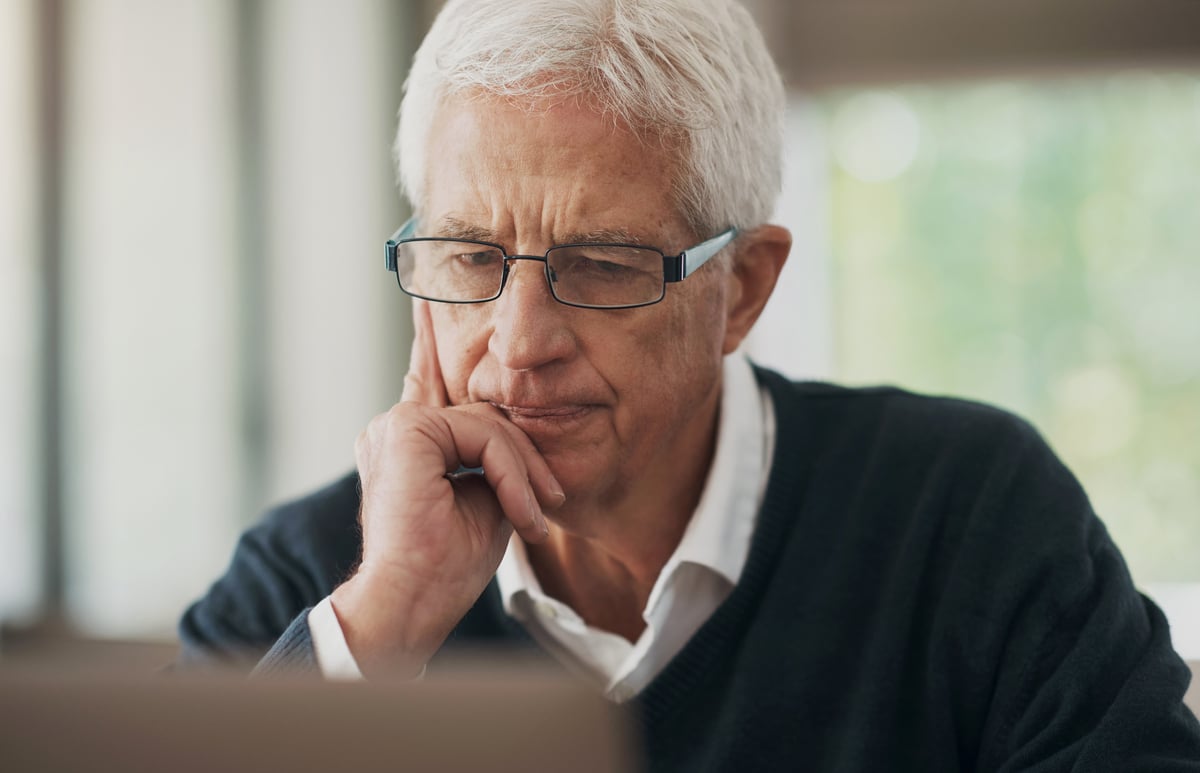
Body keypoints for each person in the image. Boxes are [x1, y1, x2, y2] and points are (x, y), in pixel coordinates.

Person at [179, 0, 1200, 769]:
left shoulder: (971, 515)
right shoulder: (318, 575)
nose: (520, 340)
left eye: (602, 265)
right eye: (468, 256)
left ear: (743, 288)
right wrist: (388, 620)